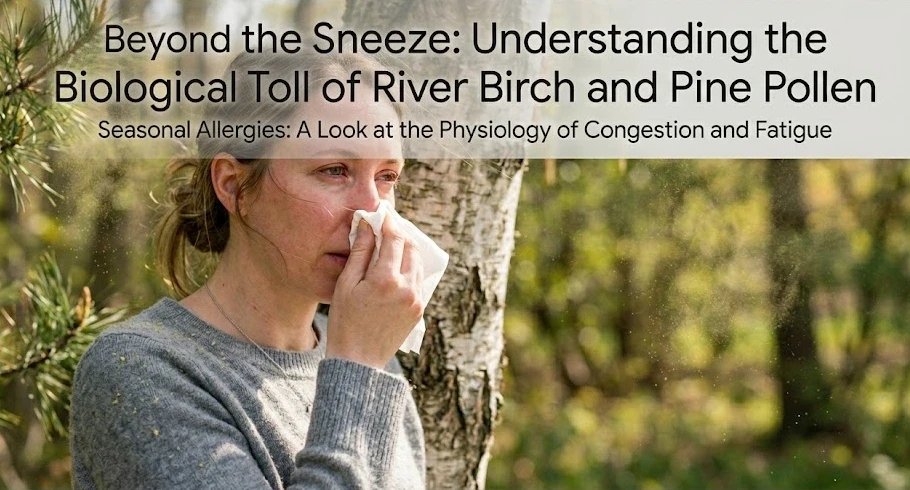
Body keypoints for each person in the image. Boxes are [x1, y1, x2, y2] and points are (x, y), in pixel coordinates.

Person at [69, 50, 428, 489]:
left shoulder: (377, 361)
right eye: (334, 170)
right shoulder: (141, 371)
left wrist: (362, 362)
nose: (372, 214)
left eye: (387, 177)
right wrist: (357, 367)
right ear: (234, 185)